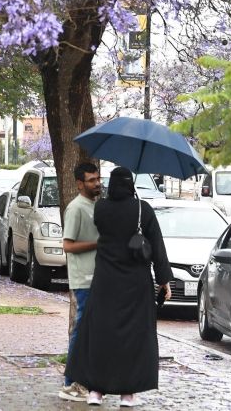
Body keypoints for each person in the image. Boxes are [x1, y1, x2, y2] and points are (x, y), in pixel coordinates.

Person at [65, 167, 173, 407]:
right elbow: (157, 245)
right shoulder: (142, 209)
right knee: (132, 338)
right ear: (130, 185)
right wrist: (164, 280)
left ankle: (96, 391)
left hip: (105, 282)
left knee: (101, 335)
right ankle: (127, 393)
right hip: (136, 284)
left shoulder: (101, 208)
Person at [58, 162, 102, 403]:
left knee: (91, 332)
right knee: (81, 329)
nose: (97, 183)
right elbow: (68, 245)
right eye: (91, 180)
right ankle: (70, 382)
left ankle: (85, 379)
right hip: (83, 278)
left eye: (98, 179)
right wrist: (98, 244)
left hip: (97, 277)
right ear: (79, 184)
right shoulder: (76, 208)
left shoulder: (96, 206)